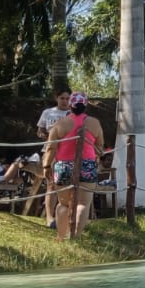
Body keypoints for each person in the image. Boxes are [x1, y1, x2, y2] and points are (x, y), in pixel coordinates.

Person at [44, 92, 104, 240]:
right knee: (83, 203)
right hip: (87, 166)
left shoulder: (60, 124)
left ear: (70, 106)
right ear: (86, 105)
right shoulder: (95, 123)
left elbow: (51, 148)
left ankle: (60, 236)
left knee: (63, 204)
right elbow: (100, 147)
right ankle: (75, 237)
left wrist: (46, 166)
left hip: (64, 166)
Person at [36, 89, 73, 228]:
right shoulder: (48, 112)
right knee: (51, 184)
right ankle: (49, 217)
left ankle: (65, 217)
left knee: (67, 185)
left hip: (68, 152)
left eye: (67, 99)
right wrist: (45, 135)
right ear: (57, 98)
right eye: (62, 98)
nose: (65, 101)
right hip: (50, 150)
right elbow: (40, 130)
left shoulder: (73, 114)